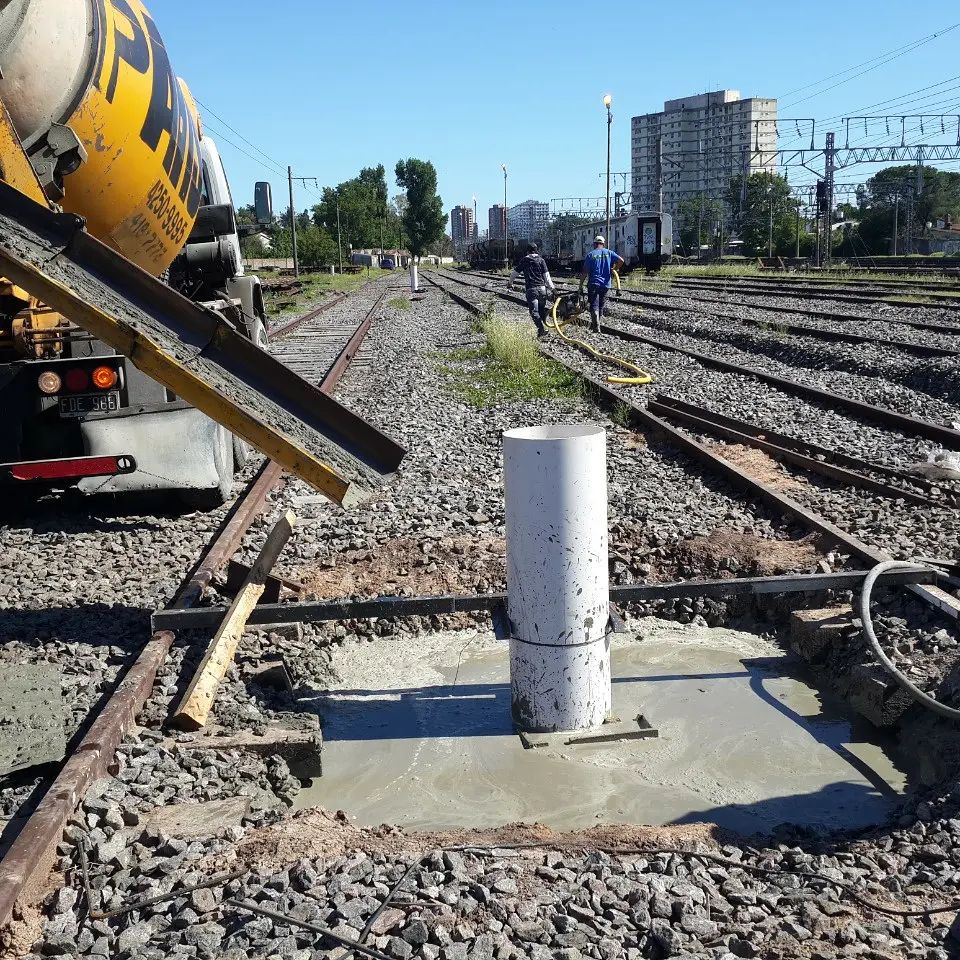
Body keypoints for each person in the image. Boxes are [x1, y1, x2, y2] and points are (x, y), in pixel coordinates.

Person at [509, 243, 555, 339]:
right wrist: (553, 289)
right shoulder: (541, 260)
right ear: (536, 250)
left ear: (527, 251)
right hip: (542, 289)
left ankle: (541, 329)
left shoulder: (525, 260)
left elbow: (514, 273)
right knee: (541, 310)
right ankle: (544, 328)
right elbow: (547, 277)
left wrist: (510, 283)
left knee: (534, 312)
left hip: (531, 289)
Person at [579, 235, 624, 332]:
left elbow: (585, 272)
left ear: (594, 244)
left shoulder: (591, 254)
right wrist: (614, 269)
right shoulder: (609, 253)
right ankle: (598, 321)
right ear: (603, 244)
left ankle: (596, 326)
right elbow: (621, 260)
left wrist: (580, 285)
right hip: (605, 284)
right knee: (601, 305)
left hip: (593, 283)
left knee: (594, 304)